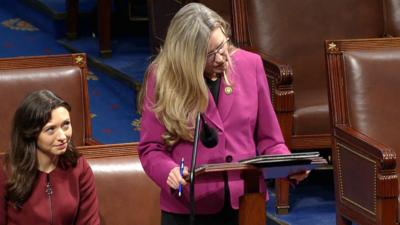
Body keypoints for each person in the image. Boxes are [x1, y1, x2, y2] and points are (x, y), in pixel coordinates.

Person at [138, 3, 307, 225]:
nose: (221, 58)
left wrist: (287, 165)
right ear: (188, 57)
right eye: (210, 54)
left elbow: (270, 140)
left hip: (246, 200)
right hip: (189, 205)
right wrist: (169, 171)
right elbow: (151, 148)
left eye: (222, 45)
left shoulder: (250, 65)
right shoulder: (162, 78)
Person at [0, 89, 100, 225]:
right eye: (50, 129)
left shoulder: (79, 167)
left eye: (66, 125)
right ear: (31, 133)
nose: (62, 137)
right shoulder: (5, 171)